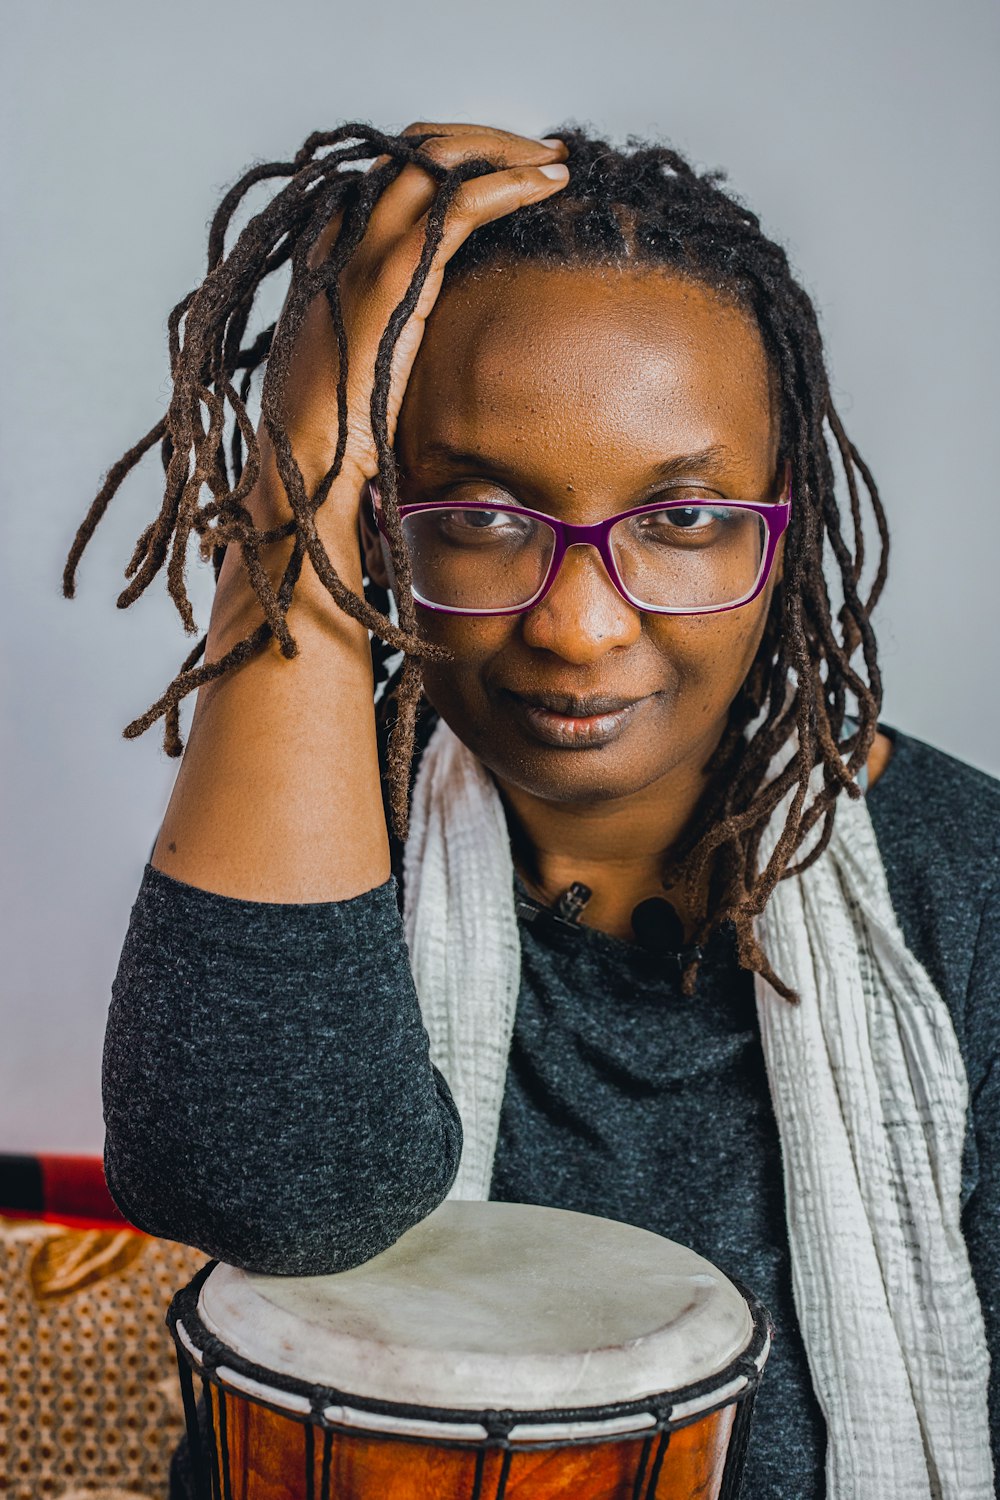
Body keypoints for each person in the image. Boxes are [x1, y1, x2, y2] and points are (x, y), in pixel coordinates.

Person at [66, 122, 997, 1498]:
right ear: (385, 521)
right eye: (481, 515)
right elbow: (272, 1187)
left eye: (680, 522)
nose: (578, 624)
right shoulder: (309, 847)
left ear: (778, 524)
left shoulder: (966, 888)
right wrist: (298, 475)